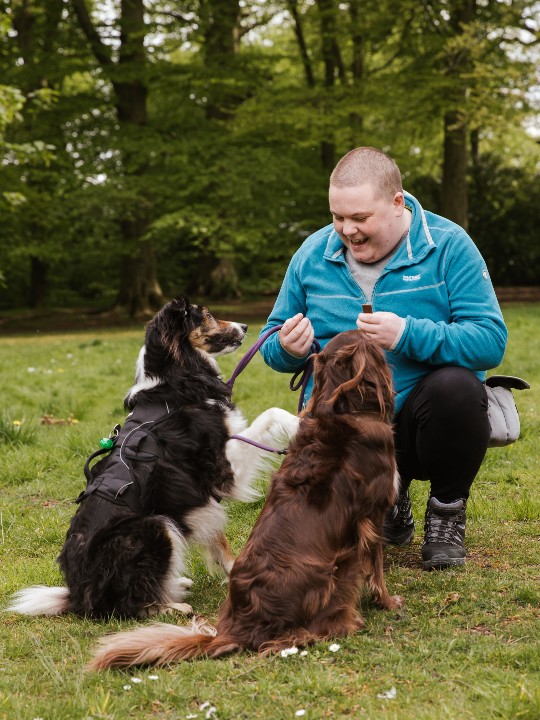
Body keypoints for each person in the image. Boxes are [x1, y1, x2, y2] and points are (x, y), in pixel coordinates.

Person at [259, 146, 507, 570]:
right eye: (338, 217)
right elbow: (270, 341)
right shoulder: (312, 254)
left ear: (397, 204)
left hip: (419, 422)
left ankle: (446, 511)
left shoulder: (448, 246)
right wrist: (286, 347)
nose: (347, 230)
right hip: (340, 429)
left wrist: (407, 334)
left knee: (458, 388)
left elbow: (490, 340)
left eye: (360, 219)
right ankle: (389, 500)